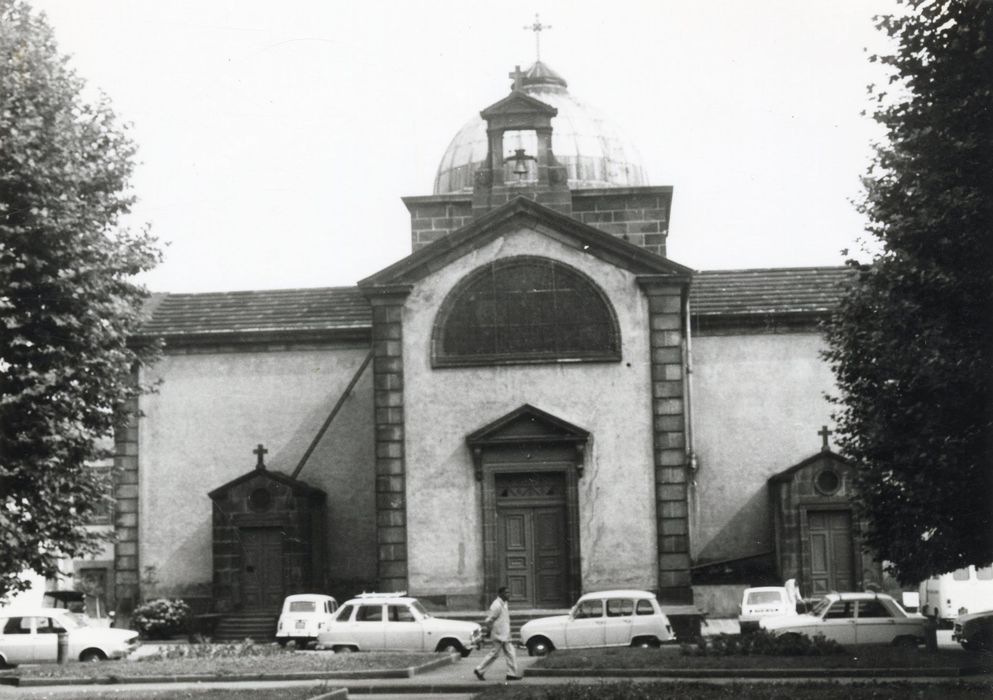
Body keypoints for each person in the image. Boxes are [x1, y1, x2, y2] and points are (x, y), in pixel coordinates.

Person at [473, 586, 520, 681]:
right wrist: (489, 631)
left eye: (509, 593)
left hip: (504, 633)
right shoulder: (496, 605)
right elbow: (488, 620)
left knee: (500, 653)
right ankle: (511, 674)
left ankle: (480, 670)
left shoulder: (504, 603)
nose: (508, 595)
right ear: (500, 594)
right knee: (505, 653)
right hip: (499, 634)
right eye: (506, 593)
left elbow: (503, 619)